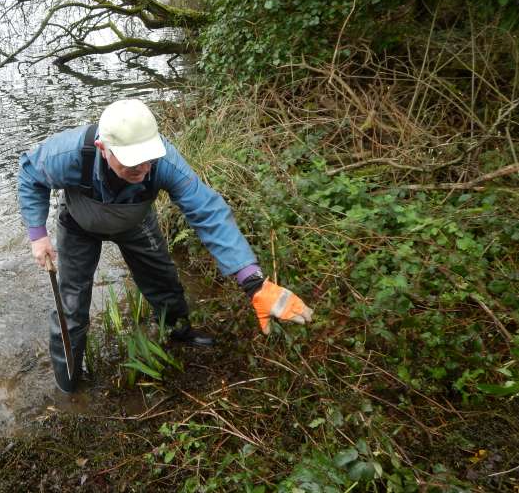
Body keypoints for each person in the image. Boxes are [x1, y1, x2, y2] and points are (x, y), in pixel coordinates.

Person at [18, 98, 314, 392]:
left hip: (135, 221)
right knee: (71, 303)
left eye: (148, 158)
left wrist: (254, 283)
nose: (144, 168)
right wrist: (37, 234)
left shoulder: (164, 161)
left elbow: (208, 211)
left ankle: (178, 332)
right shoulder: (68, 153)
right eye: (132, 161)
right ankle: (68, 380)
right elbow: (30, 175)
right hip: (78, 226)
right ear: (102, 149)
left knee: (163, 279)